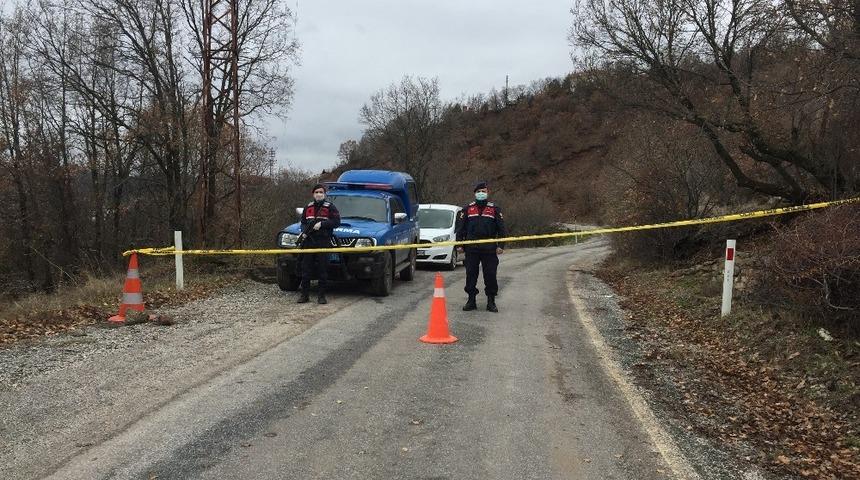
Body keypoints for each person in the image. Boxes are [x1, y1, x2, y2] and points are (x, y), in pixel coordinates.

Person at [455, 181, 506, 312]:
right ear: (475, 194)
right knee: (471, 274)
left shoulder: (494, 209)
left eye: (483, 191)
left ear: (488, 193)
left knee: (490, 274)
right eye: (479, 192)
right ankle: (471, 300)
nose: (481, 193)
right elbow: (460, 228)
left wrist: (501, 245)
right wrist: (459, 244)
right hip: (472, 247)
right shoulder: (467, 209)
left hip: (489, 247)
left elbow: (502, 229)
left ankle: (491, 301)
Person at [297, 183, 341, 304]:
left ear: (325, 194)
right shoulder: (308, 207)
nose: (319, 194)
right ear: (313, 194)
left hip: (323, 241)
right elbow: (303, 222)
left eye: (321, 192)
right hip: (309, 241)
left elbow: (337, 222)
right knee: (306, 269)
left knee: (322, 269)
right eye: (316, 192)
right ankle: (304, 295)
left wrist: (322, 224)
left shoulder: (330, 207)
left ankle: (321, 296)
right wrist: (304, 232)